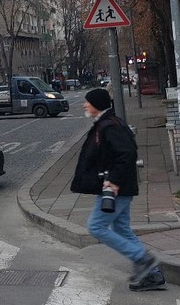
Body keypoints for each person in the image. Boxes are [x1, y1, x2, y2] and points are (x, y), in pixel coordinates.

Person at [70, 88, 165, 290]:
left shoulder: (110, 126)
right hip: (117, 186)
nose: (84, 105)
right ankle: (153, 275)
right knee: (121, 229)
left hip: (115, 188)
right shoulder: (106, 123)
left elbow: (127, 154)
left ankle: (143, 259)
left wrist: (113, 181)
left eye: (88, 102)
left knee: (96, 227)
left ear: (97, 104)